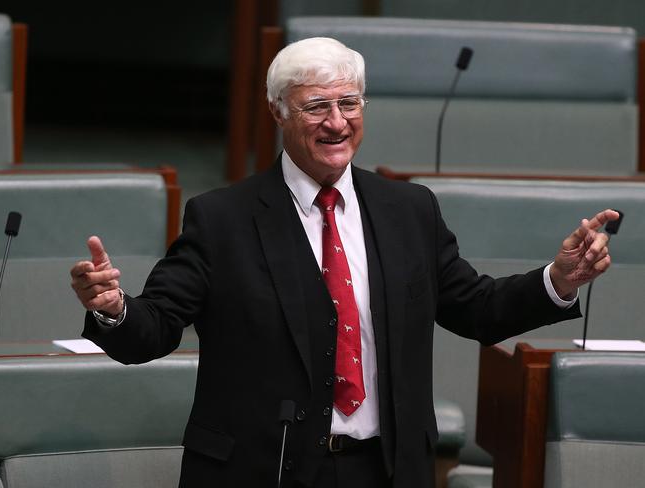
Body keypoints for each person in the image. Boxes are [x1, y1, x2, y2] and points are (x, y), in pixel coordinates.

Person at [70, 37, 618, 488]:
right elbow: (156, 328)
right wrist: (114, 308)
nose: (337, 123)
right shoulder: (221, 220)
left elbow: (477, 308)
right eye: (316, 107)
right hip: (265, 472)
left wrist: (559, 280)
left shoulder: (409, 209)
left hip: (386, 470)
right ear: (278, 113)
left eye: (349, 103)